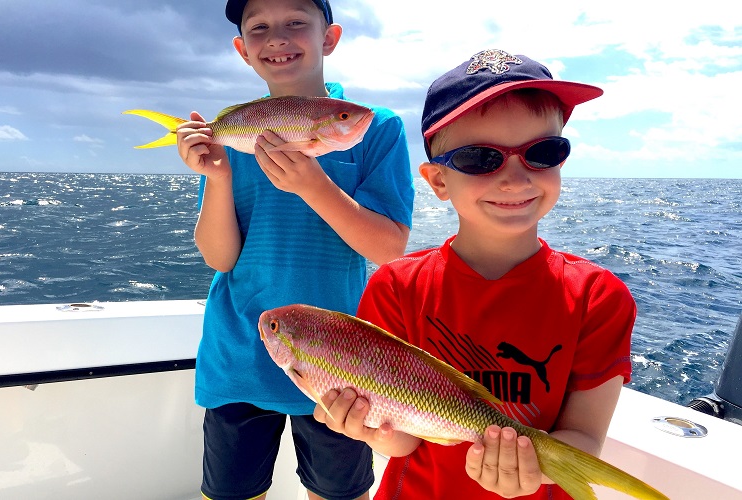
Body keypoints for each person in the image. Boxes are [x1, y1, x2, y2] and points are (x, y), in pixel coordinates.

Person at [314, 48, 636, 499]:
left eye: (542, 152)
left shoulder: (599, 297)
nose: (516, 177)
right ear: (438, 181)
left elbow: (583, 438)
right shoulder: (396, 287)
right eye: (481, 158)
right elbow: (401, 437)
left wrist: (534, 469)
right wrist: (366, 428)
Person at [176, 1, 414, 499]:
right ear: (243, 50)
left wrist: (314, 186)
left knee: (337, 493)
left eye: (296, 22)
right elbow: (220, 259)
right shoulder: (239, 137)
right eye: (259, 27)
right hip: (239, 352)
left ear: (330, 38)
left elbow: (389, 247)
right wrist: (217, 176)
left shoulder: (374, 126)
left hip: (344, 365)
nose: (277, 38)